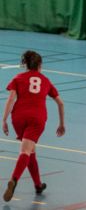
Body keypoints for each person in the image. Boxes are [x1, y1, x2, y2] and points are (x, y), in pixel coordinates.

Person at [2, 50, 65, 202]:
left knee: (30, 151)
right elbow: (60, 103)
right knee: (25, 151)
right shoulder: (46, 80)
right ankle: (14, 179)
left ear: (26, 65)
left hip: (18, 117)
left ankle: (38, 185)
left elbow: (11, 100)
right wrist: (61, 123)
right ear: (39, 65)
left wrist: (4, 120)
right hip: (37, 118)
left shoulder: (18, 78)